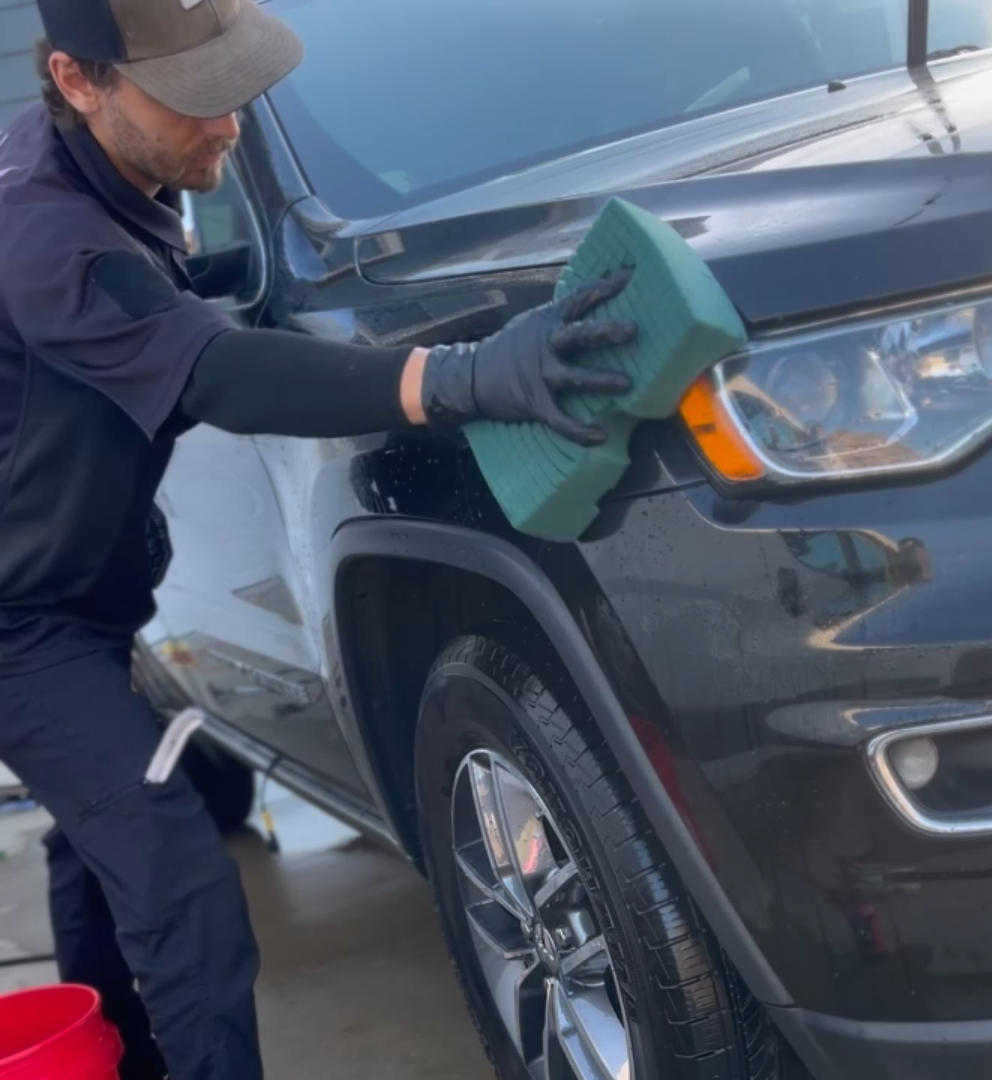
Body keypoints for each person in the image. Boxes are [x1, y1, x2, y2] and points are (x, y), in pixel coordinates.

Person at [0, 1, 639, 1078]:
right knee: (188, 900)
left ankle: (111, 1058)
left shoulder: (102, 163)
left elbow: (158, 300)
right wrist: (462, 376)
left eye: (237, 82)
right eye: (197, 95)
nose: (230, 121)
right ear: (77, 79)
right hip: (22, 623)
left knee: (98, 840)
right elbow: (220, 375)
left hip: (81, 588)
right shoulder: (45, 234)